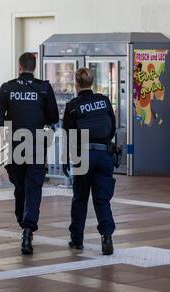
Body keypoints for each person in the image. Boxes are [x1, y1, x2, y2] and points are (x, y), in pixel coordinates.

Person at [0, 53, 59, 255]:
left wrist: (14, 117)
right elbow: (54, 117)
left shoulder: (7, 87)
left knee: (20, 187)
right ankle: (28, 230)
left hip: (16, 145)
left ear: (19, 66)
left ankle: (23, 223)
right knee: (34, 188)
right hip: (37, 144)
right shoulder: (44, 88)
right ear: (34, 67)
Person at [62, 68, 117, 256]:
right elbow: (112, 128)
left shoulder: (73, 106)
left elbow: (68, 135)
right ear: (91, 83)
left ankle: (77, 240)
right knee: (102, 199)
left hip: (83, 155)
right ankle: (107, 237)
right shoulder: (104, 101)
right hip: (104, 155)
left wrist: (65, 160)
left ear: (76, 84)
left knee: (80, 198)